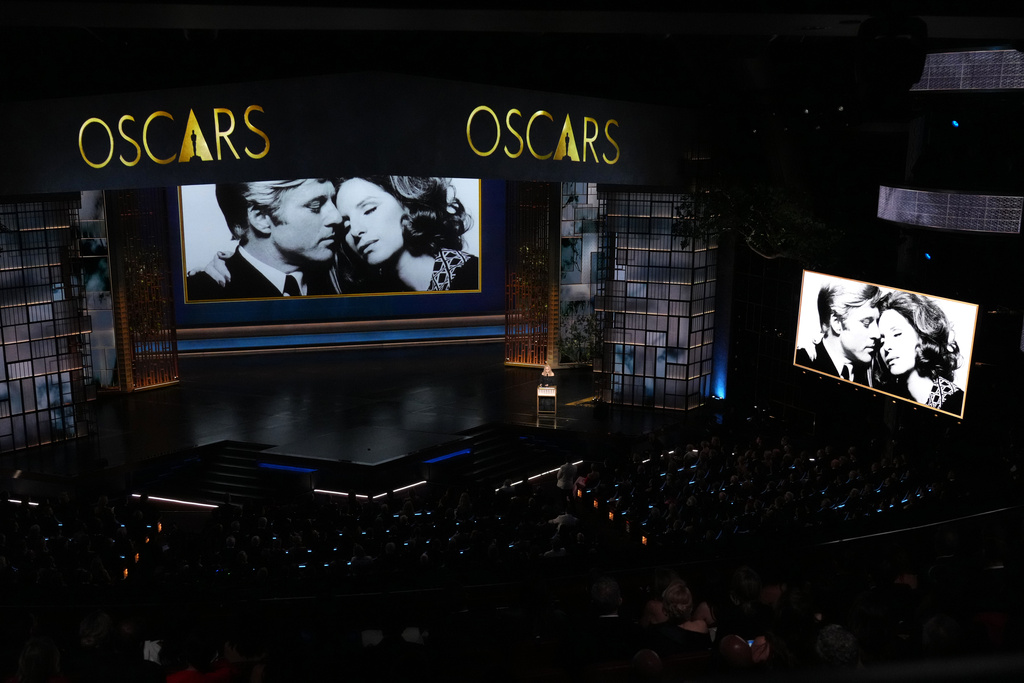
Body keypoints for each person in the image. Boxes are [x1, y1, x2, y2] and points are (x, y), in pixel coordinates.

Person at [186, 178, 342, 300]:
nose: (337, 217)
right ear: (260, 218)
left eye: (333, 202)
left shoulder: (343, 278)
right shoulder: (200, 294)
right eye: (315, 205)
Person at [335, 176, 478, 292]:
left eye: (369, 210)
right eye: (346, 225)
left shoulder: (474, 276)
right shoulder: (379, 298)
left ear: (407, 203)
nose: (354, 231)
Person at [876, 291, 964, 414]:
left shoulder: (956, 403)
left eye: (897, 334)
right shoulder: (886, 398)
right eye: (882, 340)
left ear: (922, 336)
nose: (886, 347)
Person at [795, 281, 882, 385]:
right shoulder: (802, 362)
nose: (877, 334)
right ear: (836, 322)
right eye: (866, 323)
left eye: (877, 323)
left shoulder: (873, 375)